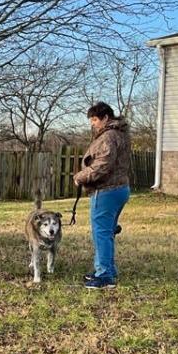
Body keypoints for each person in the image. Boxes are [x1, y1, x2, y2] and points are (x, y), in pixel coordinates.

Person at [73, 102, 131, 289]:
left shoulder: (109, 136)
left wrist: (80, 177)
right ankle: (106, 270)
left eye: (95, 119)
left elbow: (102, 165)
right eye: (91, 120)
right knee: (107, 232)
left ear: (106, 118)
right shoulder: (120, 134)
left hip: (107, 190)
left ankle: (104, 276)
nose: (92, 123)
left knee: (102, 233)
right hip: (120, 188)